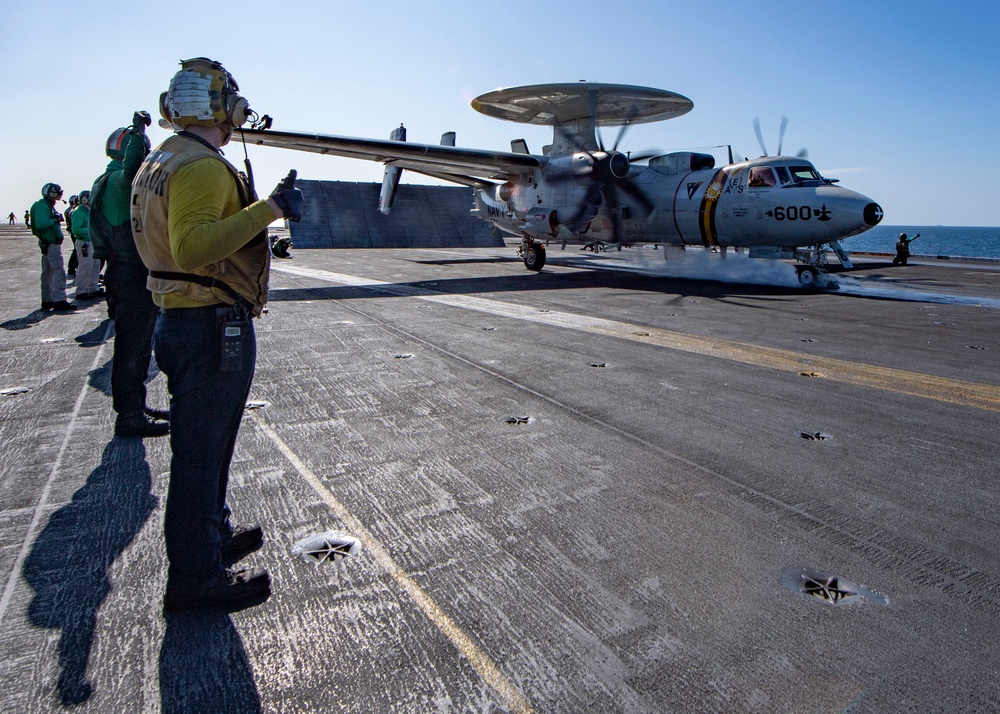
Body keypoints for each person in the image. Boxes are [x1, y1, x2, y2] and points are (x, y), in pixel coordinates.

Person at [131, 57, 302, 611]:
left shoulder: (164, 157)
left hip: (182, 317)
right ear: (222, 106)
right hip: (207, 321)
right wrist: (270, 209)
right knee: (202, 453)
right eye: (233, 99)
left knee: (206, 447)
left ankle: (212, 536)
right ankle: (194, 575)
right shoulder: (201, 166)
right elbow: (196, 247)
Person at [90, 114, 170, 438]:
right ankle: (130, 416)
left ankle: (135, 405)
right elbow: (136, 164)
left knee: (133, 345)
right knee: (133, 347)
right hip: (132, 272)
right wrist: (139, 132)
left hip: (120, 272)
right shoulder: (121, 182)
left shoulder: (102, 181)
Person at [30, 183, 76, 311]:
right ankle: (59, 299)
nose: (57, 196)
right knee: (58, 271)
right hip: (51, 243)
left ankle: (47, 299)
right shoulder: (43, 206)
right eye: (55, 193)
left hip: (48, 242)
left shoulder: (44, 205)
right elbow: (41, 223)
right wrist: (55, 220)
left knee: (48, 272)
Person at [70, 191, 102, 300]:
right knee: (85, 266)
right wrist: (91, 230)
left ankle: (93, 287)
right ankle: (81, 290)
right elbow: (76, 229)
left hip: (91, 241)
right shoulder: (78, 212)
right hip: (84, 242)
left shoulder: (89, 211)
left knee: (95, 265)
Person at [65, 195, 79, 277]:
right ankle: (72, 267)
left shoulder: (69, 210)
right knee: (77, 249)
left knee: (76, 249)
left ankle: (72, 266)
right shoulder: (73, 210)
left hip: (72, 230)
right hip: (74, 231)